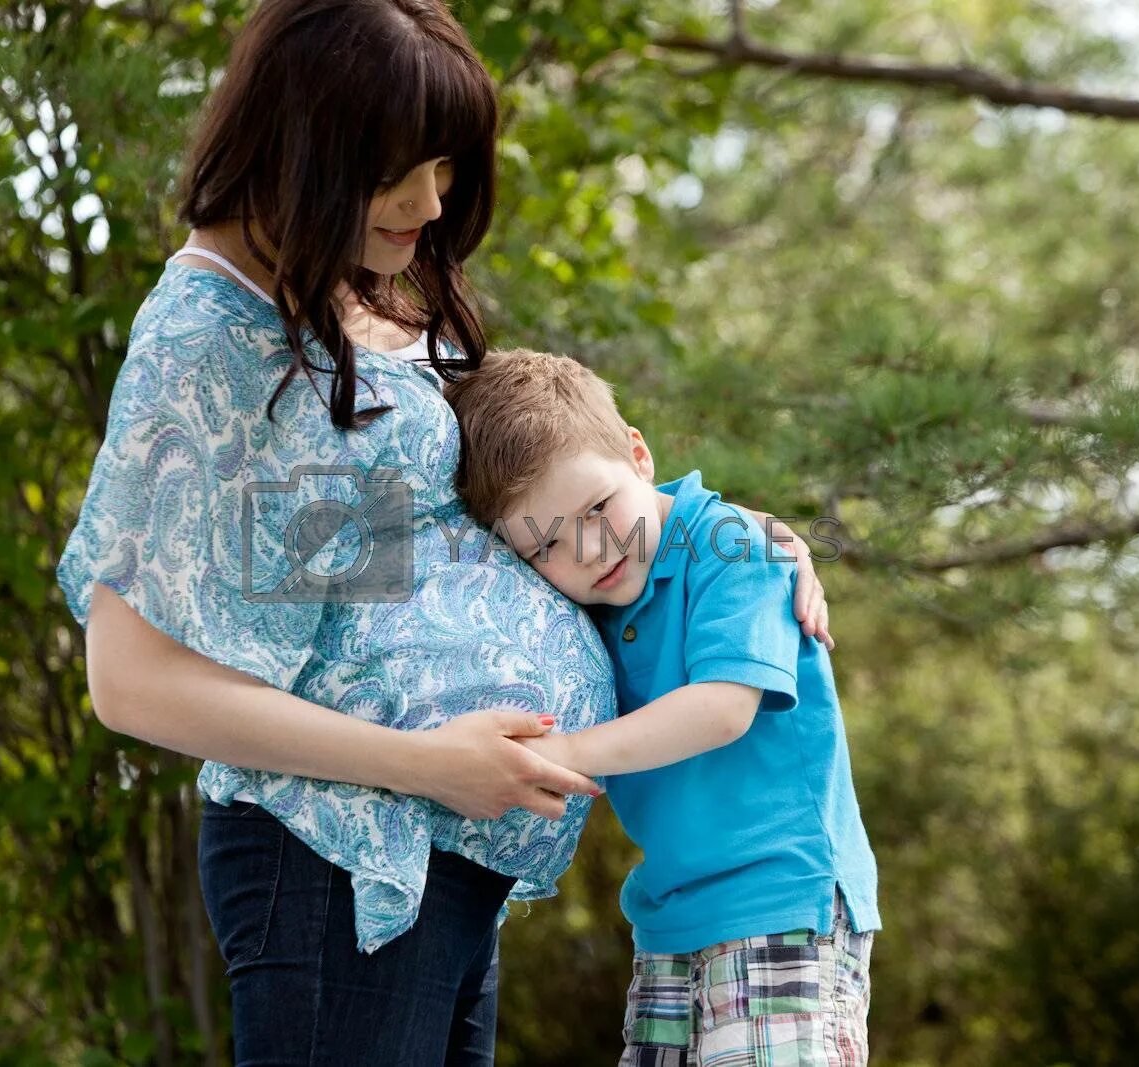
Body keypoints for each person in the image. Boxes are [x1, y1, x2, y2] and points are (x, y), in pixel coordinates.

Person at [55, 1, 832, 1063]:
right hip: (337, 852)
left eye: (443, 165)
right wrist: (423, 760)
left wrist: (735, 539)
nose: (430, 202)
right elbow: (131, 680)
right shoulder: (204, 340)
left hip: (438, 852)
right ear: (301, 149)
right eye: (394, 172)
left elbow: (396, 575)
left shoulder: (351, 295)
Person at [444, 349, 878, 1066]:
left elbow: (721, 709)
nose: (590, 548)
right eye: (548, 543)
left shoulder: (731, 545)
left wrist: (567, 753)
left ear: (640, 456)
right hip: (669, 916)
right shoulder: (598, 596)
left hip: (781, 895)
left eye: (597, 509)